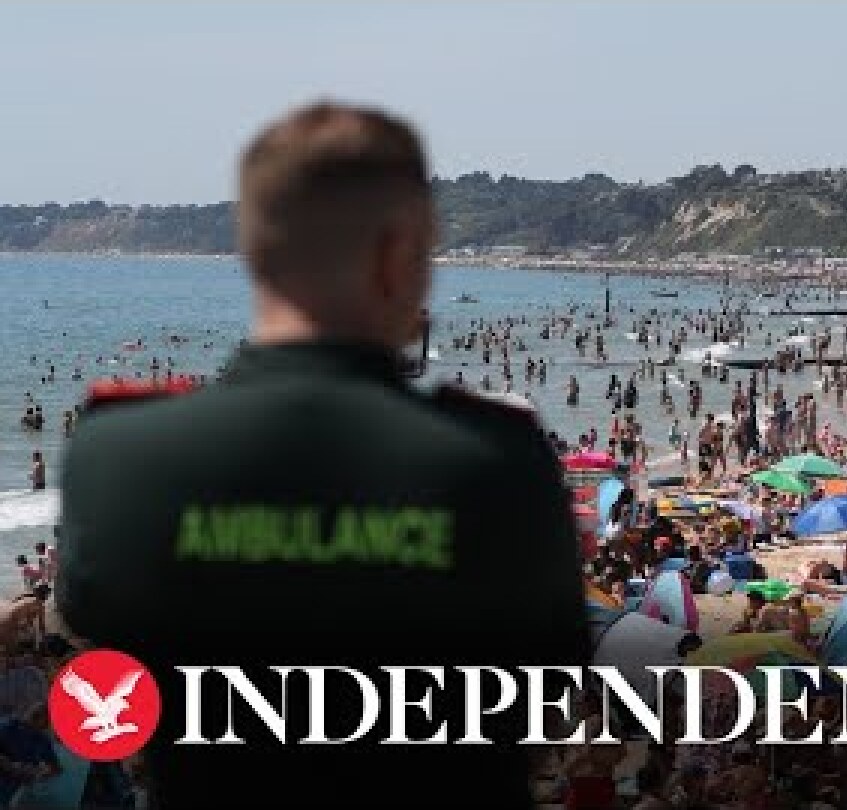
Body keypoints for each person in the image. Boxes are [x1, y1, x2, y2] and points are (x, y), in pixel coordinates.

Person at [57, 103, 588, 809]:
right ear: (398, 254)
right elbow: (549, 686)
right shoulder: (496, 461)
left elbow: (105, 655)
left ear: (252, 248)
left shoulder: (119, 455)